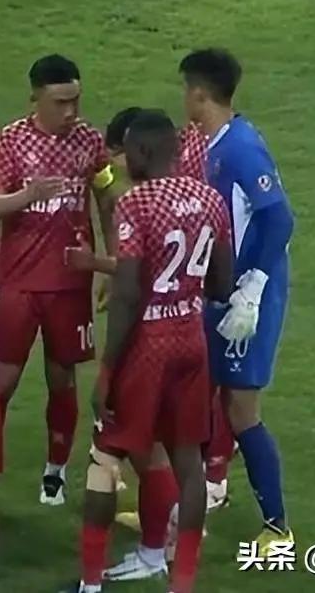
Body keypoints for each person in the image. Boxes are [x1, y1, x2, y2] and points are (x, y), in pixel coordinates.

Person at [65, 109, 233, 593]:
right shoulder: (211, 200)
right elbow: (222, 284)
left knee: (104, 457)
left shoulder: (136, 203)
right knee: (188, 462)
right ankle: (182, 583)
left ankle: (90, 585)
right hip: (191, 341)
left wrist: (107, 372)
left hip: (147, 347)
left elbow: (128, 292)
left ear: (140, 152)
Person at [0, 54, 116, 505]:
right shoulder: (13, 140)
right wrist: (29, 194)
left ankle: (55, 472)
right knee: (1, 380)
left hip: (69, 282)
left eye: (75, 100)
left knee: (62, 379)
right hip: (18, 283)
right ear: (35, 98)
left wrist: (110, 261)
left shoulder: (89, 141)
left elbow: (106, 196)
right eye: (60, 102)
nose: (71, 111)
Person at [181, 47, 296, 555]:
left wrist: (252, 287)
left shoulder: (241, 148)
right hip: (221, 292)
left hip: (249, 298)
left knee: (241, 408)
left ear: (198, 94)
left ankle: (278, 529)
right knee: (197, 395)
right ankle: (186, 507)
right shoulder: (214, 143)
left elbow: (280, 217)